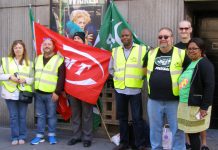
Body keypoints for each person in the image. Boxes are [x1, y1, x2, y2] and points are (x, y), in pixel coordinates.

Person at [143, 27, 190, 150]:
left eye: (166, 37)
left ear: (172, 38)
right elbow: (144, 70)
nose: (163, 39)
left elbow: (189, 74)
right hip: (154, 100)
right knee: (155, 129)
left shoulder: (181, 53)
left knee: (178, 130)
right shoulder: (151, 53)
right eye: (160, 37)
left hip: (174, 100)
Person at [109, 28, 147, 150]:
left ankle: (139, 144)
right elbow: (111, 69)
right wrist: (117, 78)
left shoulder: (142, 49)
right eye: (123, 36)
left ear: (132, 36)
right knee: (122, 118)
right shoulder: (115, 51)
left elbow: (147, 66)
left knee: (137, 118)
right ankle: (124, 143)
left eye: (127, 35)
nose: (125, 37)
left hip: (135, 89)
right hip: (120, 90)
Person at [177, 38, 215, 150]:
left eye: (195, 48)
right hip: (186, 103)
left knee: (193, 134)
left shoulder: (204, 64)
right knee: (189, 131)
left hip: (196, 105)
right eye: (189, 49)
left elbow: (209, 87)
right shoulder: (192, 63)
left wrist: (204, 107)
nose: (191, 51)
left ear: (201, 50)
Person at [30, 38, 65, 145]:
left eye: (49, 44)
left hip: (51, 94)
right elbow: (33, 74)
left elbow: (61, 77)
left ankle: (52, 135)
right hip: (38, 92)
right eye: (45, 44)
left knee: (51, 116)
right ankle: (39, 135)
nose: (47, 46)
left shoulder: (59, 59)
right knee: (40, 115)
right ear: (42, 46)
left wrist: (57, 92)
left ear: (53, 47)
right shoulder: (37, 58)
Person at [0, 40, 34, 145]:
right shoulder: (6, 61)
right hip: (9, 93)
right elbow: (0, 75)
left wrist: (25, 80)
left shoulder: (29, 63)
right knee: (13, 116)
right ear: (13, 49)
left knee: (22, 116)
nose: (18, 49)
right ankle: (15, 137)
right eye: (16, 47)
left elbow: (33, 78)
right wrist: (10, 77)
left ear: (24, 50)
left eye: (20, 47)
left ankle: (22, 136)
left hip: (23, 93)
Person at [67, 32, 93, 148]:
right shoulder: (69, 53)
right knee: (75, 114)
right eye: (75, 38)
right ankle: (76, 136)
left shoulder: (90, 52)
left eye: (78, 38)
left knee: (87, 114)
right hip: (73, 87)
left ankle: (87, 138)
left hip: (86, 88)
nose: (76, 39)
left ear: (83, 40)